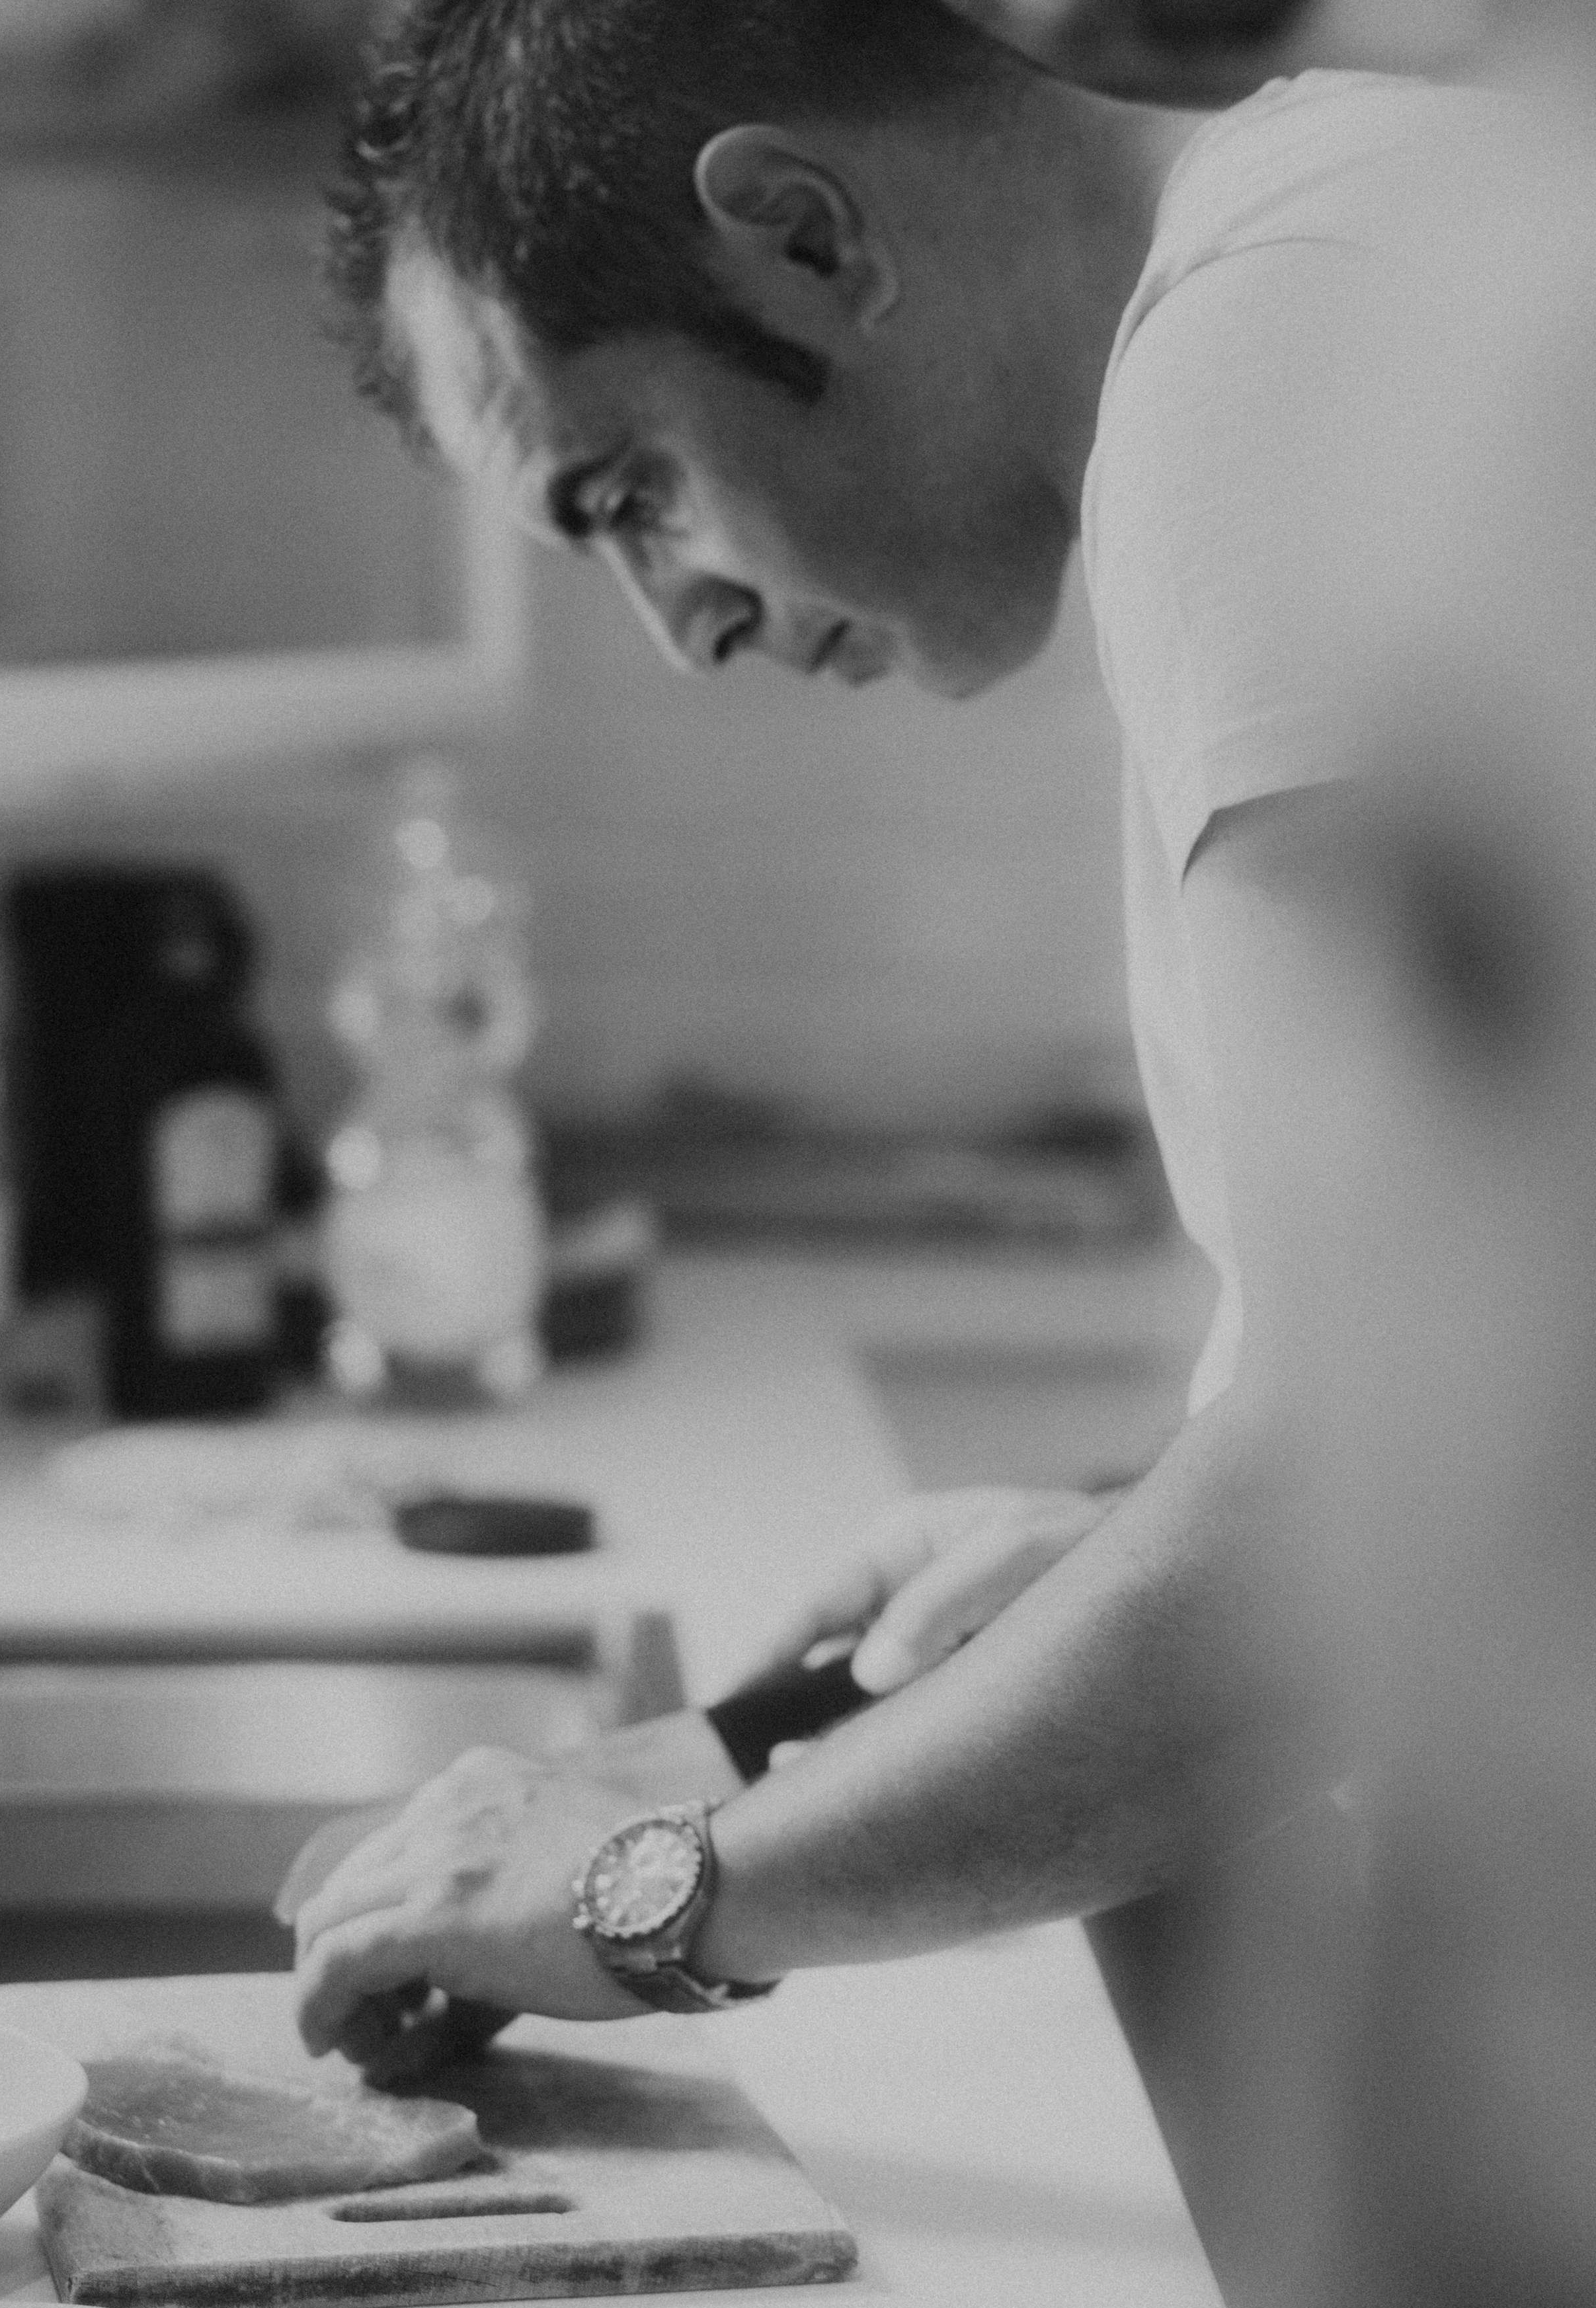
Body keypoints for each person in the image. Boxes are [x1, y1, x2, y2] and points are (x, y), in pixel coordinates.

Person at [286, 0, 1495, 2076]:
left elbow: (1373, 1480)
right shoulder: (1361, 248)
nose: (686, 630)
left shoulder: (1267, 349)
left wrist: (651, 1890)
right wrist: (1116, 1569)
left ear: (803, 237)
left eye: (627, 494)